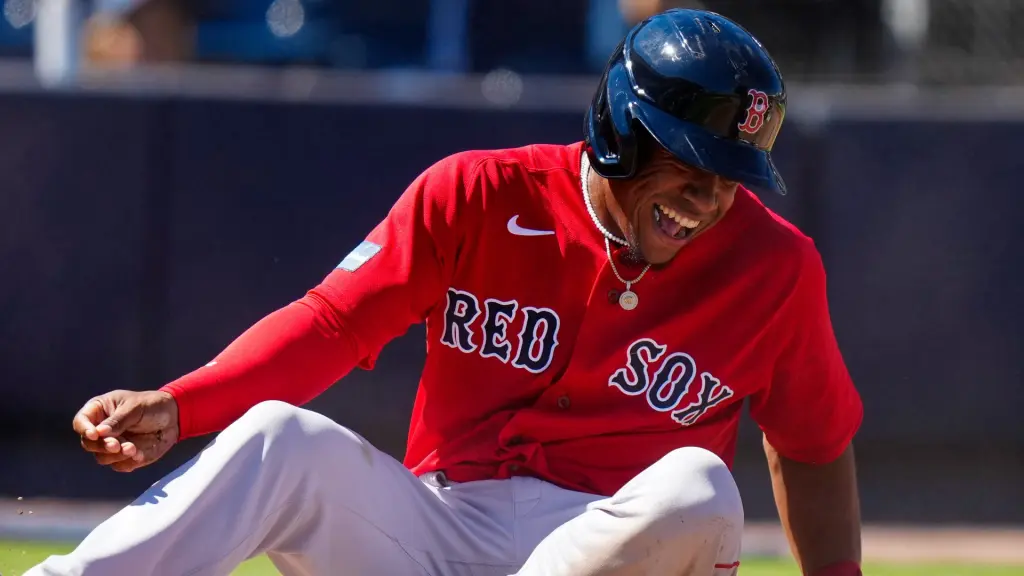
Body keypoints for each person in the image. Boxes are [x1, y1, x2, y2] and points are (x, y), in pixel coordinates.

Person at [30, 9, 863, 576]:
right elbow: (333, 322)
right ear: (619, 124)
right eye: (691, 161)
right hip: (437, 525)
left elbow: (812, 444)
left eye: (731, 176)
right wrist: (184, 404)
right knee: (280, 438)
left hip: (614, 543)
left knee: (700, 485)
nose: (710, 198)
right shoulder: (478, 193)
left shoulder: (776, 266)